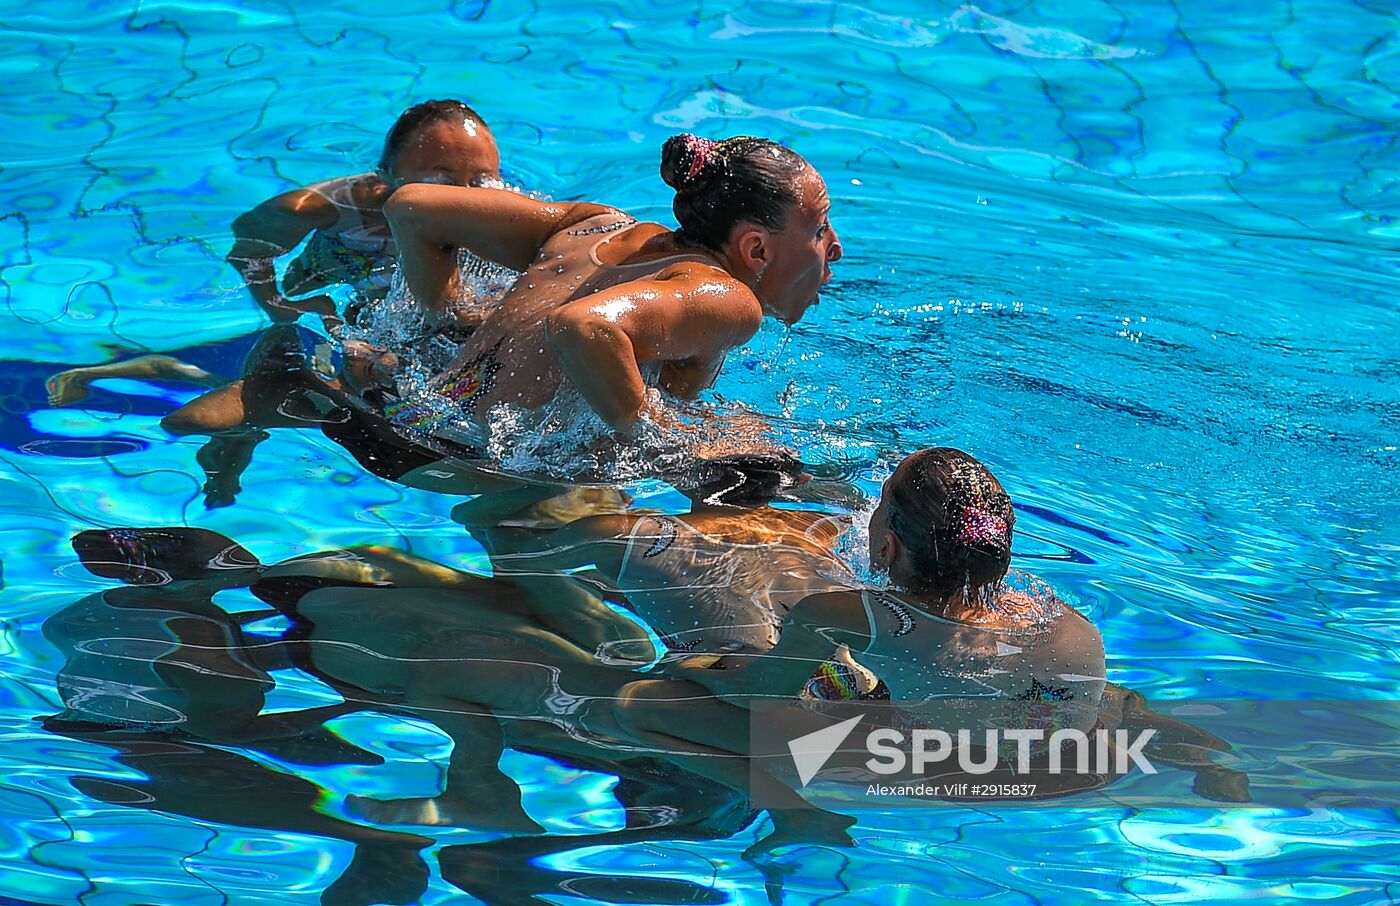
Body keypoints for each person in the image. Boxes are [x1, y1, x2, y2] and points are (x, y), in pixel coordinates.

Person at [373, 133, 842, 454]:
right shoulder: (726, 297)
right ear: (756, 249)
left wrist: (448, 315)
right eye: (819, 227)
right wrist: (665, 439)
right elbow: (582, 327)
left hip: (403, 418)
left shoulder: (596, 226)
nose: (835, 247)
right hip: (467, 467)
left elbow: (413, 207)